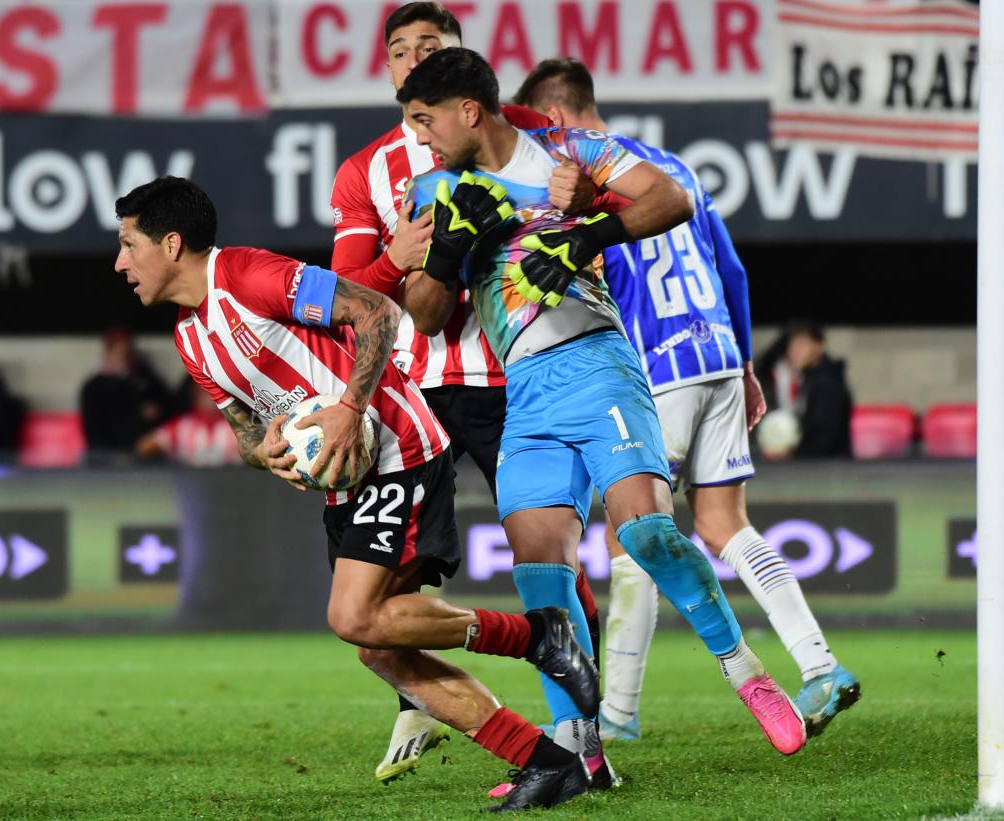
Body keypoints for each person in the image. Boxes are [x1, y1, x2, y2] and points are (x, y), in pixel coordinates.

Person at [114, 175, 601, 812]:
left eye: (128, 244)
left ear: (171, 243)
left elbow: (377, 312)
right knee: (380, 649)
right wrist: (260, 451)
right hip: (349, 480)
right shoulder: (189, 334)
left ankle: (538, 637)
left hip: (398, 451)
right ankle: (547, 761)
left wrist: (349, 406)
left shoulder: (252, 276)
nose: (120, 262)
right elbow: (243, 429)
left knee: (352, 618)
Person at [397, 48, 807, 782]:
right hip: (524, 391)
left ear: (468, 110)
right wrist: (447, 260)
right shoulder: (433, 188)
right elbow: (424, 316)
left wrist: (588, 232)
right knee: (542, 576)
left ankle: (746, 671)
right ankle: (582, 750)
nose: (419, 137)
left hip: (599, 368)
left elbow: (670, 197)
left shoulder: (568, 153)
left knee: (648, 533)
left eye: (425, 121)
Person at [513, 58, 860, 741]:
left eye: (534, 127)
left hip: (656, 365)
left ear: (552, 118)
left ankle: (616, 711)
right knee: (726, 523)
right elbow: (730, 266)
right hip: (719, 356)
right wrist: (747, 365)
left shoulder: (584, 180)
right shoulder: (676, 169)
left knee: (626, 530)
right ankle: (820, 664)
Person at [328, 1, 603, 783]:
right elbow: (350, 292)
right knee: (384, 591)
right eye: (401, 50)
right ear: (386, 68)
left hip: (520, 380)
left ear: (462, 68)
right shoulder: (366, 171)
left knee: (547, 560)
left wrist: (579, 196)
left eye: (431, 48)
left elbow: (594, 197)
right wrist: (402, 255)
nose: (414, 60)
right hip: (414, 396)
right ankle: (421, 701)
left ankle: (583, 740)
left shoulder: (524, 133)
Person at [757, 321, 854, 459]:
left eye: (801, 344)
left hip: (830, 471)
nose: (794, 351)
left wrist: (790, 455)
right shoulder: (809, 380)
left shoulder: (827, 385)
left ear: (819, 346)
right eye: (792, 345)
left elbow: (823, 441)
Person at [80, 327, 173, 465]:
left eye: (126, 353)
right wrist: (116, 455)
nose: (121, 357)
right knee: (93, 457)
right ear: (107, 353)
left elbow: (167, 408)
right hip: (106, 451)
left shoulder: (146, 379)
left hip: (141, 449)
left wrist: (155, 411)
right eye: (116, 351)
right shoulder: (94, 386)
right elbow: (92, 431)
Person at [136, 379, 241, 467]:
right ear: (195, 395)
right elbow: (146, 445)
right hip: (192, 483)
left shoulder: (240, 424)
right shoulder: (182, 425)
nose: (209, 398)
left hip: (231, 483)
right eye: (204, 393)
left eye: (214, 393)